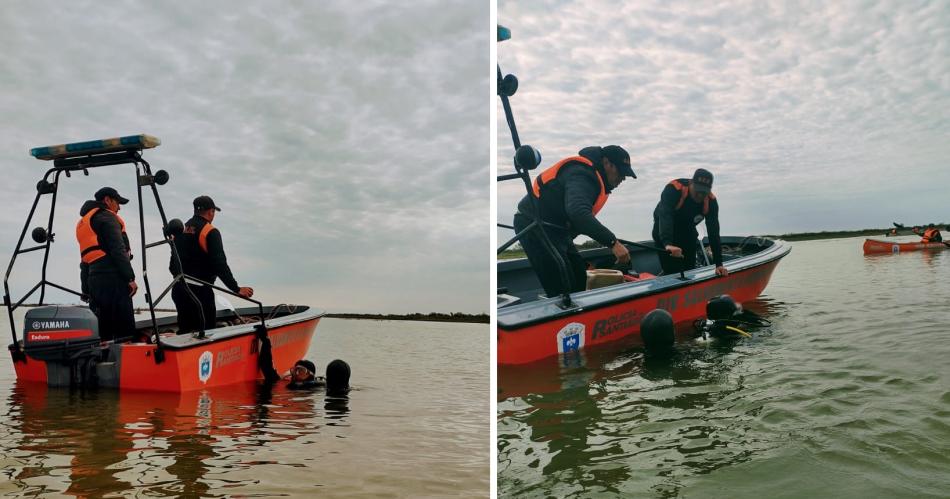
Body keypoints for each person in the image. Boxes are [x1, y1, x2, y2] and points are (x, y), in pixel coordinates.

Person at [512, 145, 637, 296]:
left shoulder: (592, 177)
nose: (622, 178)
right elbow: (578, 213)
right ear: (606, 163)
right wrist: (613, 243)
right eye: (621, 172)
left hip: (557, 231)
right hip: (534, 225)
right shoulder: (582, 174)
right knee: (563, 288)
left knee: (580, 278)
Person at [169, 195, 254, 334]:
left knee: (185, 333)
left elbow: (172, 265)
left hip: (179, 289)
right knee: (205, 334)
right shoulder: (210, 231)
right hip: (200, 294)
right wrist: (236, 288)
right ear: (211, 212)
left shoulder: (180, 231)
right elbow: (219, 264)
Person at [76, 187, 138, 341]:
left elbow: (84, 260)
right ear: (107, 200)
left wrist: (85, 289)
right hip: (113, 279)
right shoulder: (107, 217)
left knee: (102, 330)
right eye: (117, 202)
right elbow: (118, 250)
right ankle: (127, 361)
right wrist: (130, 278)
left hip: (94, 281)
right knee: (125, 331)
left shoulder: (84, 223)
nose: (119, 207)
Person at [652, 168, 728, 277]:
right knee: (671, 270)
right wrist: (668, 244)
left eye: (703, 192)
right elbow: (665, 216)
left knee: (689, 270)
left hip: (687, 228)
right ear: (691, 183)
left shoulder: (711, 202)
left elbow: (714, 232)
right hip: (663, 227)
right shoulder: (674, 189)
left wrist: (719, 264)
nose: (700, 196)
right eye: (697, 191)